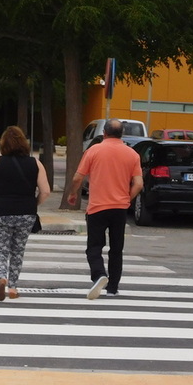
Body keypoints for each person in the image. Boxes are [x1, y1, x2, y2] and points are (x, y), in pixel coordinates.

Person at [65, 119, 143, 299]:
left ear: (105, 133)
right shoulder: (132, 154)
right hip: (119, 208)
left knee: (94, 247)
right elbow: (138, 184)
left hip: (97, 207)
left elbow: (78, 178)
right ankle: (113, 288)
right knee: (116, 249)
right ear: (121, 134)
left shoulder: (94, 150)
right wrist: (126, 199)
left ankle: (99, 274)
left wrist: (73, 194)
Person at [0, 125, 51, 301]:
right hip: (26, 213)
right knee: (17, 250)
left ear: (4, 143)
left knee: (1, 250)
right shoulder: (35, 163)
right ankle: (13, 288)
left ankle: (2, 277)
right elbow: (46, 191)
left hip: (1, 211)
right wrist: (34, 203)